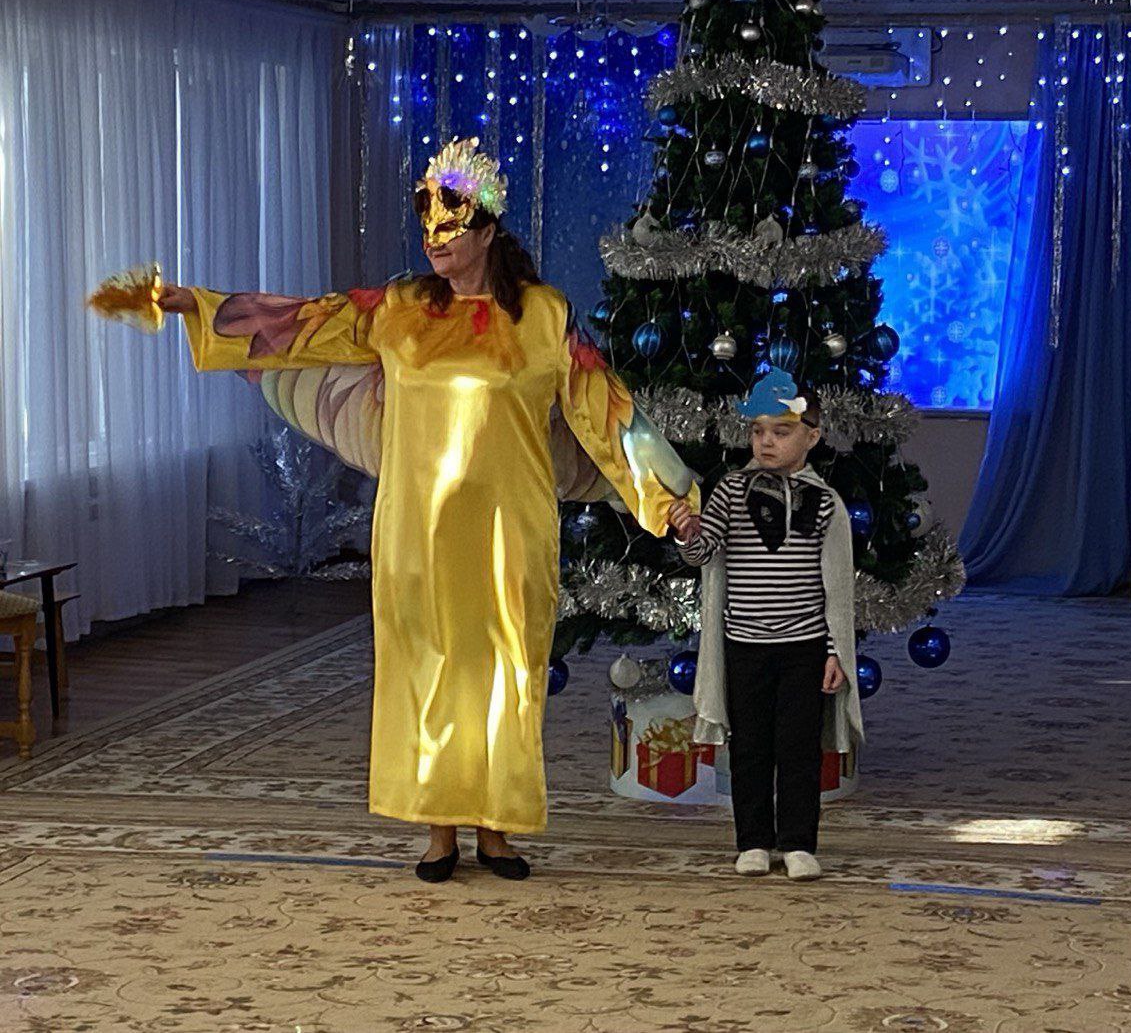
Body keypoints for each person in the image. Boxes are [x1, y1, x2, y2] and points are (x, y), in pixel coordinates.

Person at [121, 138, 698, 883]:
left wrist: (672, 499)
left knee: (505, 670)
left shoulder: (544, 315)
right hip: (417, 528)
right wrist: (197, 306)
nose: (434, 239)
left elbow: (607, 412)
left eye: (451, 226)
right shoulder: (397, 309)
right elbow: (299, 322)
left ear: (488, 230)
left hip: (511, 529)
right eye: (427, 224)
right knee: (425, 665)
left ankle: (497, 829)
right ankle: (438, 831)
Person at [667, 368, 862, 881]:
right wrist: (686, 533)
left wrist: (835, 651)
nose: (767, 442)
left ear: (811, 437)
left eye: (781, 431)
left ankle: (798, 842)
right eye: (758, 431)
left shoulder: (824, 501)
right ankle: (753, 840)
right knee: (750, 746)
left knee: (798, 748)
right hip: (745, 644)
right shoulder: (731, 491)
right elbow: (704, 554)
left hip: (803, 646)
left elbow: (835, 585)